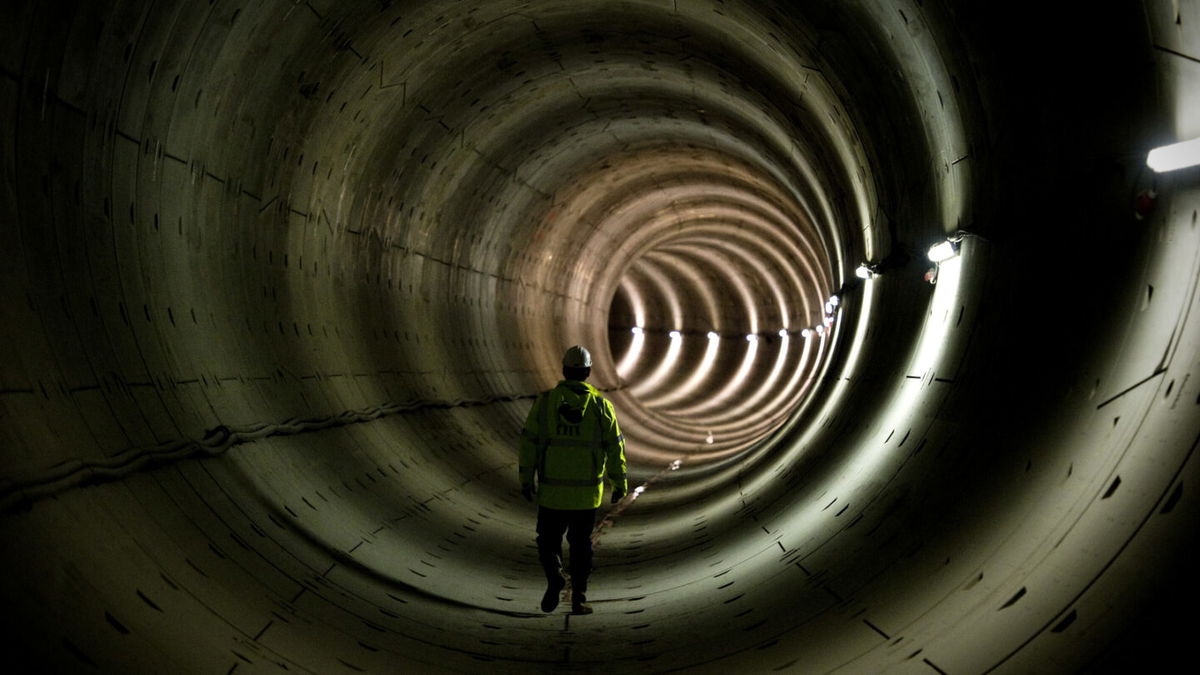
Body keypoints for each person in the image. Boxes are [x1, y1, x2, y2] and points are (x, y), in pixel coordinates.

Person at [518, 345, 627, 615]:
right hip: (585, 495)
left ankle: (555, 571)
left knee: (547, 540)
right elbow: (615, 447)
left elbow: (529, 443)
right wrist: (620, 482)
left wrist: (526, 478)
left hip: (552, 492)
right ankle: (578, 597)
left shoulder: (545, 403)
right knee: (581, 546)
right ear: (588, 372)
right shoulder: (602, 407)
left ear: (564, 370)